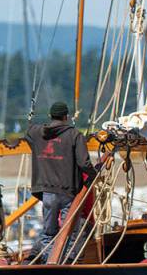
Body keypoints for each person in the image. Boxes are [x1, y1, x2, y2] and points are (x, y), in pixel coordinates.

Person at [26, 102, 97, 260]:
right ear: (66, 116)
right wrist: (94, 174)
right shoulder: (74, 135)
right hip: (67, 192)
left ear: (51, 116)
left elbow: (28, 132)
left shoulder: (38, 132)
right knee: (70, 232)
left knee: (48, 232)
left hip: (47, 192)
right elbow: (84, 163)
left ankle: (47, 260)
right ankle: (67, 260)